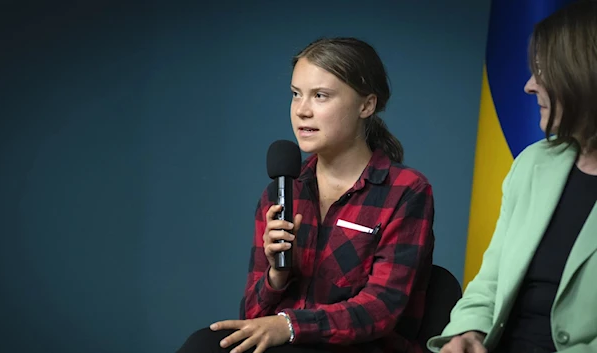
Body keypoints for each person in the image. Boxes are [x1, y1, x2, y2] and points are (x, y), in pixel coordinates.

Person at [176, 37, 436, 353]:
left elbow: (381, 310)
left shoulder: (406, 191)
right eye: (296, 94)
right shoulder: (282, 190)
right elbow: (254, 317)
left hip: (363, 346)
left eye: (320, 96)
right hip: (288, 341)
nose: (302, 111)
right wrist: (277, 274)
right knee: (203, 345)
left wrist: (289, 325)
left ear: (366, 105)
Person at [427, 2, 597, 353]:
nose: (529, 86)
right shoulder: (533, 164)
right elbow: (490, 281)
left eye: (542, 71)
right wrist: (467, 332)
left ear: (582, 76)